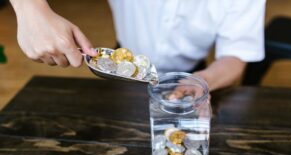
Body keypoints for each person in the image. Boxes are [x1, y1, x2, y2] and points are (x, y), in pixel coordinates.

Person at [9, 0, 266, 91]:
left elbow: (235, 57)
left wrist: (204, 81)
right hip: (119, 73)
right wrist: (30, 8)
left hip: (193, 72)